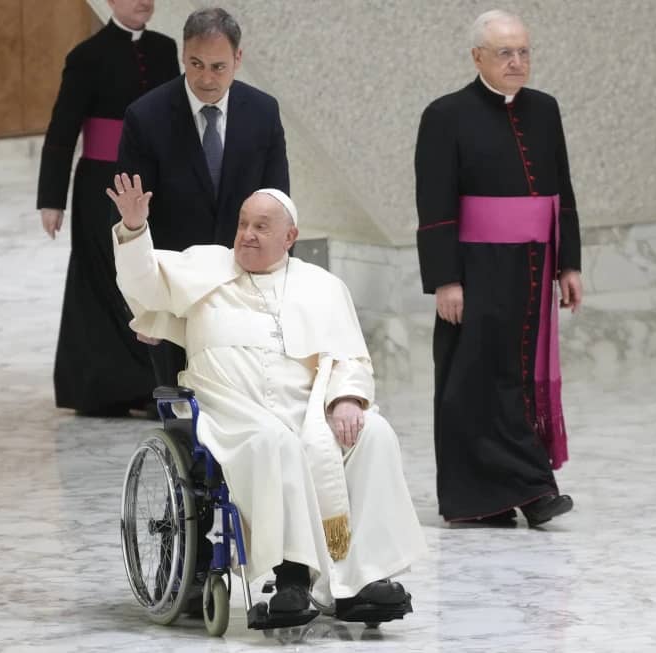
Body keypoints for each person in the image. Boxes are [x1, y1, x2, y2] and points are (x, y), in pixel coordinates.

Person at [108, 173, 426, 623]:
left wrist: (347, 400)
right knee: (275, 442)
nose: (247, 235)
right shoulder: (206, 266)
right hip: (231, 409)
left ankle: (362, 579)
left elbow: (349, 356)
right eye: (243, 224)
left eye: (261, 227)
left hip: (309, 408)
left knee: (373, 432)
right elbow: (143, 284)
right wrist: (136, 228)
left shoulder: (323, 286)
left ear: (290, 237)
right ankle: (292, 576)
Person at [414, 10, 582, 527]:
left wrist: (569, 264)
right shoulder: (446, 114)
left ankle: (524, 488)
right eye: (505, 52)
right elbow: (434, 199)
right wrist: (446, 279)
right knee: (474, 379)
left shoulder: (544, 109)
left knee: (517, 377)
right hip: (476, 269)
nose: (517, 62)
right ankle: (497, 496)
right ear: (478, 57)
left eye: (524, 51)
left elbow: (562, 192)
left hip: (534, 266)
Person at [116, 7, 290, 386]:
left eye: (218, 66)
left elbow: (279, 205)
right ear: (183, 54)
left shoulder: (263, 112)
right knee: (183, 411)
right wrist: (145, 306)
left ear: (238, 59)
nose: (206, 78)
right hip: (175, 293)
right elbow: (130, 220)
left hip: (245, 287)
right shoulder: (146, 118)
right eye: (196, 64)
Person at [37, 0, 179, 416]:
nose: (143, 2)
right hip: (100, 184)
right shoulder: (86, 57)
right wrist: (51, 199)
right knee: (105, 280)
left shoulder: (164, 49)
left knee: (150, 274)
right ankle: (107, 389)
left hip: (153, 181)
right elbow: (63, 128)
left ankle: (155, 383)